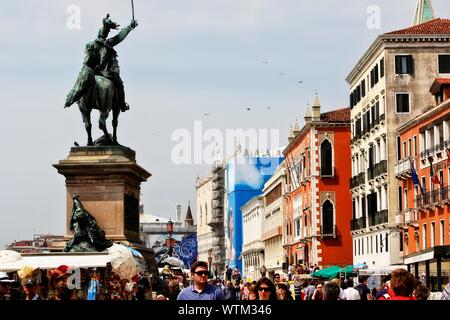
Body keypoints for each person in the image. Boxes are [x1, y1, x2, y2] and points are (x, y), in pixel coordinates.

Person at [65, 14, 138, 112]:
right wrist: (130, 27)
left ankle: (78, 99)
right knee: (120, 85)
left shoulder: (89, 45)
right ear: (106, 34)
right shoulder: (108, 44)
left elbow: (86, 60)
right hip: (105, 72)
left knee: (79, 84)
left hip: (90, 71)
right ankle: (122, 104)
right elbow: (119, 37)